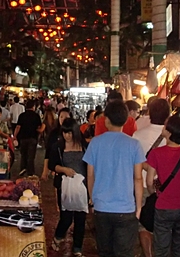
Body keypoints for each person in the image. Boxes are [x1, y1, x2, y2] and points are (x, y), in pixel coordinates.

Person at [83, 100, 145, 257]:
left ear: (106, 120)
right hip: (126, 208)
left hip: (102, 207)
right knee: (124, 253)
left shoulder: (95, 143)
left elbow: (90, 175)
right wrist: (138, 207)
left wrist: (92, 199)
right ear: (125, 120)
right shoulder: (134, 144)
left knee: (105, 252)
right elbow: (138, 179)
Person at [146, 115, 180, 257]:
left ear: (169, 132)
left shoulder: (156, 153)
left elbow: (149, 181)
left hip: (164, 205)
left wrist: (154, 192)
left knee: (161, 247)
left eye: (165, 126)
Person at [132, 97, 171, 257]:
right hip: (165, 187)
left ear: (150, 113)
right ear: (168, 115)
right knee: (163, 224)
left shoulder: (137, 135)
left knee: (143, 224)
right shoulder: (171, 136)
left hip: (142, 185)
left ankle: (148, 254)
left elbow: (133, 163)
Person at [49, 118, 88, 257]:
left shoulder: (84, 146)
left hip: (82, 187)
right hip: (65, 187)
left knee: (80, 219)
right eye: (65, 133)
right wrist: (63, 169)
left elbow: (90, 166)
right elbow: (52, 165)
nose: (67, 136)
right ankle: (58, 237)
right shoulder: (58, 147)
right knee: (66, 217)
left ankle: (77, 247)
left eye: (70, 133)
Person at [14, 99, 45, 176]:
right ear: (33, 106)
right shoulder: (36, 116)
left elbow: (18, 127)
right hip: (33, 138)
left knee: (23, 155)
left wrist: (15, 136)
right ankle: (30, 172)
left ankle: (23, 169)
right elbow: (39, 128)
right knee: (31, 156)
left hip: (23, 138)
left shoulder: (22, 115)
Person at [42, 108, 71, 181]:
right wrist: (45, 170)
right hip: (58, 169)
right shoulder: (54, 133)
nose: (63, 119)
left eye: (66, 117)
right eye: (61, 117)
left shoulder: (76, 133)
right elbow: (48, 152)